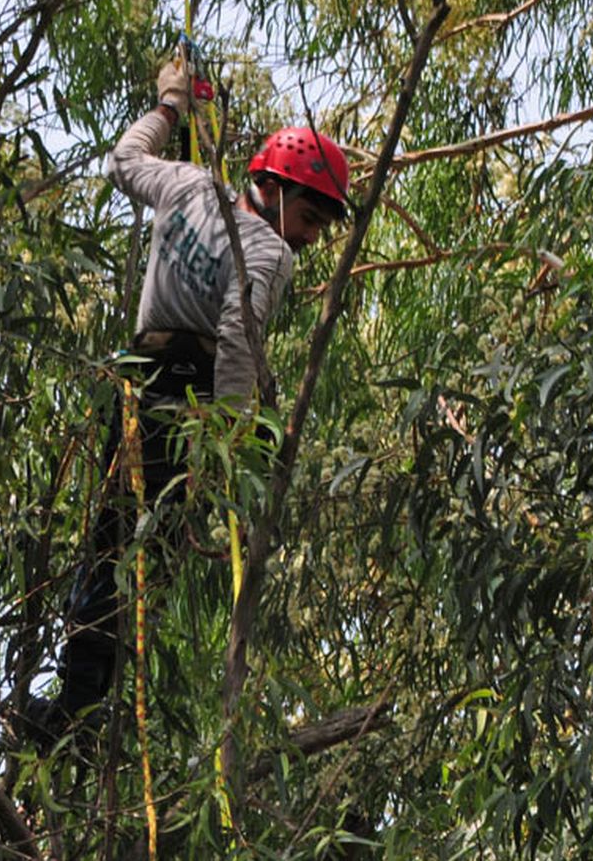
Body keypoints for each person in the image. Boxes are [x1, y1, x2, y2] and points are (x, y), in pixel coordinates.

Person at [19, 56, 349, 751]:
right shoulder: (269, 253)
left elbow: (121, 162)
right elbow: (236, 337)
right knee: (142, 566)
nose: (311, 238)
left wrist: (167, 108)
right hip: (185, 404)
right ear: (275, 187)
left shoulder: (187, 182)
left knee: (111, 546)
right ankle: (82, 719)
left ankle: (74, 707)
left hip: (134, 385)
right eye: (312, 218)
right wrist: (224, 444)